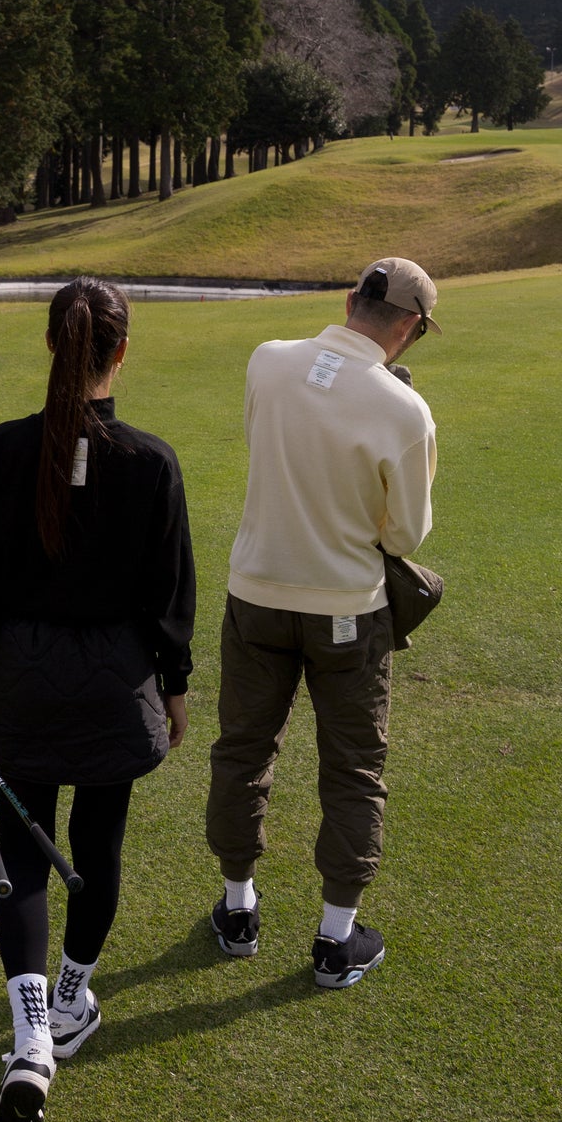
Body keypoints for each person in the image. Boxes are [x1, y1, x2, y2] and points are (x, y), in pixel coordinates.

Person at [0, 277, 195, 1122]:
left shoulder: (0, 451)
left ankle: (32, 1041)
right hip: (116, 687)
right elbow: (169, 596)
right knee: (97, 846)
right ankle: (71, 999)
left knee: (23, 856)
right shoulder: (150, 463)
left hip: (25, 683)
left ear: (52, 344)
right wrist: (177, 688)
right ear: (121, 352)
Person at [205, 257, 439, 990]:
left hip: (256, 595)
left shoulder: (266, 361)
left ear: (349, 301)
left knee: (243, 750)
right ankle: (337, 940)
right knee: (353, 768)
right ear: (411, 326)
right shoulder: (406, 411)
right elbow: (405, 536)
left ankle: (238, 909)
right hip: (347, 612)